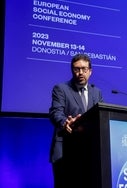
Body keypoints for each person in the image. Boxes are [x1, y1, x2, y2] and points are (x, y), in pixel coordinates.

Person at [49, 53, 103, 188]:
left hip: (90, 152)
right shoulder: (61, 89)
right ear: (72, 70)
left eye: (84, 69)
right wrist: (64, 122)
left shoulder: (96, 92)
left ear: (90, 71)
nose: (80, 72)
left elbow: (100, 117)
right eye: (76, 69)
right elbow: (56, 112)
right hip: (66, 151)